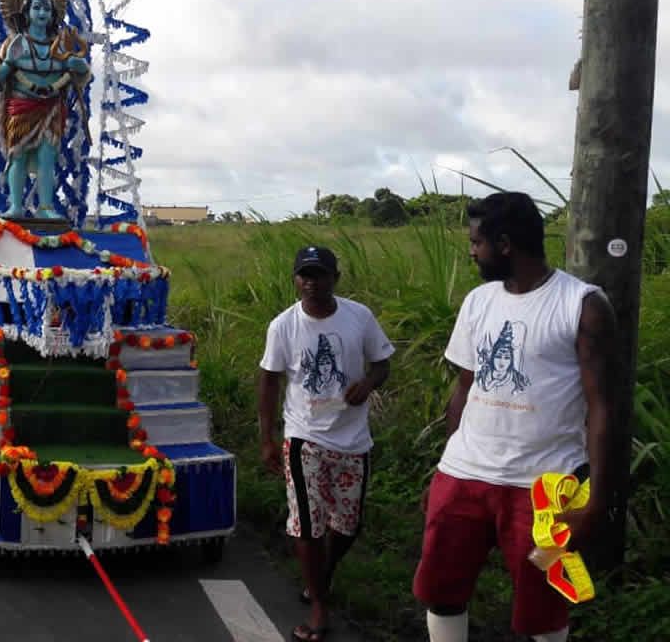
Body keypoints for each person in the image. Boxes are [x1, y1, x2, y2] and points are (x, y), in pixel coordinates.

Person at [414, 192, 616, 642]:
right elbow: (465, 388)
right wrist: (445, 470)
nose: (471, 251)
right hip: (464, 477)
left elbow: (603, 405)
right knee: (442, 590)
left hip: (546, 487)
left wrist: (595, 498)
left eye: (476, 242)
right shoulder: (478, 302)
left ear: (504, 244)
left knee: (545, 607)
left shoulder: (582, 305)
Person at [257, 246, 394, 642]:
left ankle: (321, 575)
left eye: (319, 275)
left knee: (347, 525)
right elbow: (269, 381)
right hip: (305, 437)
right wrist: (267, 439)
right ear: (295, 279)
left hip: (353, 439)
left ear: (337, 278)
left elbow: (382, 363)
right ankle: (319, 604)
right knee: (308, 524)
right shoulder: (283, 326)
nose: (311, 283)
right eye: (304, 275)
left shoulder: (359, 317)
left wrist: (368, 385)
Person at [0, 0, 91, 219]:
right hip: (21, 106)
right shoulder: (16, 44)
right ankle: (16, 206)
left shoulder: (62, 43)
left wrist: (77, 66)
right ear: (26, 11)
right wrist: (7, 65)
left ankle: (46, 207)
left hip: (51, 107)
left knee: (48, 157)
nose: (42, 12)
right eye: (36, 7)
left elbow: (82, 75)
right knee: (18, 155)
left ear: (53, 12)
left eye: (46, 8)